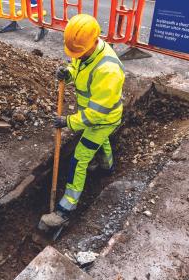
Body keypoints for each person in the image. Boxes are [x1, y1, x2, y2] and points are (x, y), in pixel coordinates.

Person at [40, 14, 125, 228]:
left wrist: (68, 122)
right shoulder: (86, 50)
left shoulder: (108, 71)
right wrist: (67, 73)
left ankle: (65, 208)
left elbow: (97, 115)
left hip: (104, 120)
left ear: (95, 41)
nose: (75, 56)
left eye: (78, 53)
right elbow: (78, 69)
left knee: (78, 159)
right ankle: (107, 167)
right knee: (100, 141)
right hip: (93, 116)